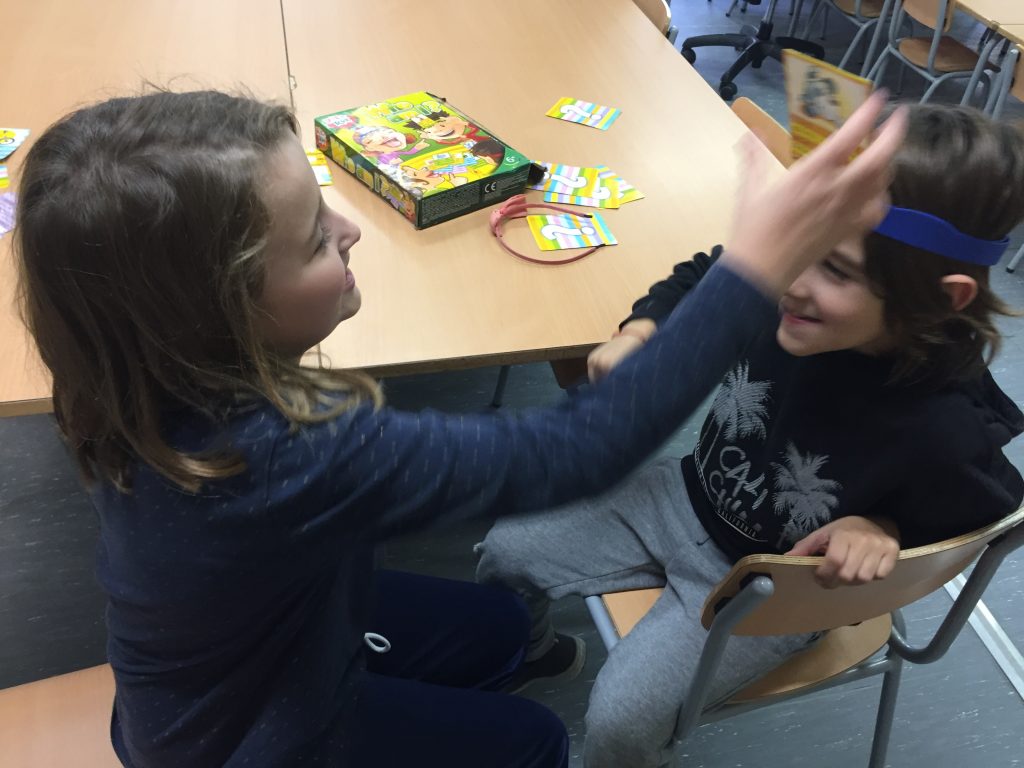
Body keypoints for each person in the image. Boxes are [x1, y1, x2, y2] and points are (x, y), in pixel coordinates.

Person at [14, 88, 903, 768]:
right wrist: (752, 270)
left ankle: (495, 662)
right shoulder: (288, 458)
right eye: (315, 239)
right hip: (260, 740)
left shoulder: (125, 374)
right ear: (221, 313)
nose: (351, 230)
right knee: (532, 742)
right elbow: (580, 450)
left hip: (254, 650)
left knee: (496, 626)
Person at [476, 104, 1024, 768]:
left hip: (770, 585)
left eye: (836, 270)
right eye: (796, 248)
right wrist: (641, 331)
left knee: (622, 722)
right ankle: (531, 653)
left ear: (941, 297)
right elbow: (705, 274)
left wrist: (882, 528)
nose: (788, 283)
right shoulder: (783, 287)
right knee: (505, 549)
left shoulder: (947, 425)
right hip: (682, 498)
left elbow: (982, 519)